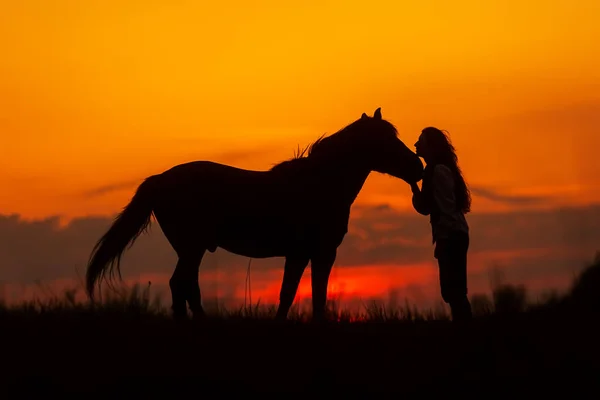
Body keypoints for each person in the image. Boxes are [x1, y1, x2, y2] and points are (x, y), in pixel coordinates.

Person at [410, 127, 472, 322]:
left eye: (421, 141)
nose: (416, 144)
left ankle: (466, 331)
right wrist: (413, 186)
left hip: (452, 236)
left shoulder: (438, 171)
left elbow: (444, 209)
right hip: (452, 235)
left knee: (454, 291)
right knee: (452, 291)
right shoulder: (434, 170)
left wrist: (444, 239)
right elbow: (426, 207)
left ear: (431, 146)